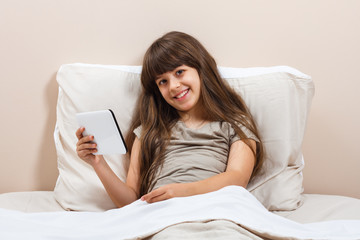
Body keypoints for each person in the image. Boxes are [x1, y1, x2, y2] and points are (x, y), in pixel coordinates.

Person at [75, 31, 264, 208]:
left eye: (179, 72)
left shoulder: (234, 123)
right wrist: (98, 163)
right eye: (162, 82)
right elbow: (129, 202)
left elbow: (237, 178)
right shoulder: (149, 131)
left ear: (201, 69)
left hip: (214, 207)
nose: (173, 86)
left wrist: (181, 192)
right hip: (160, 213)